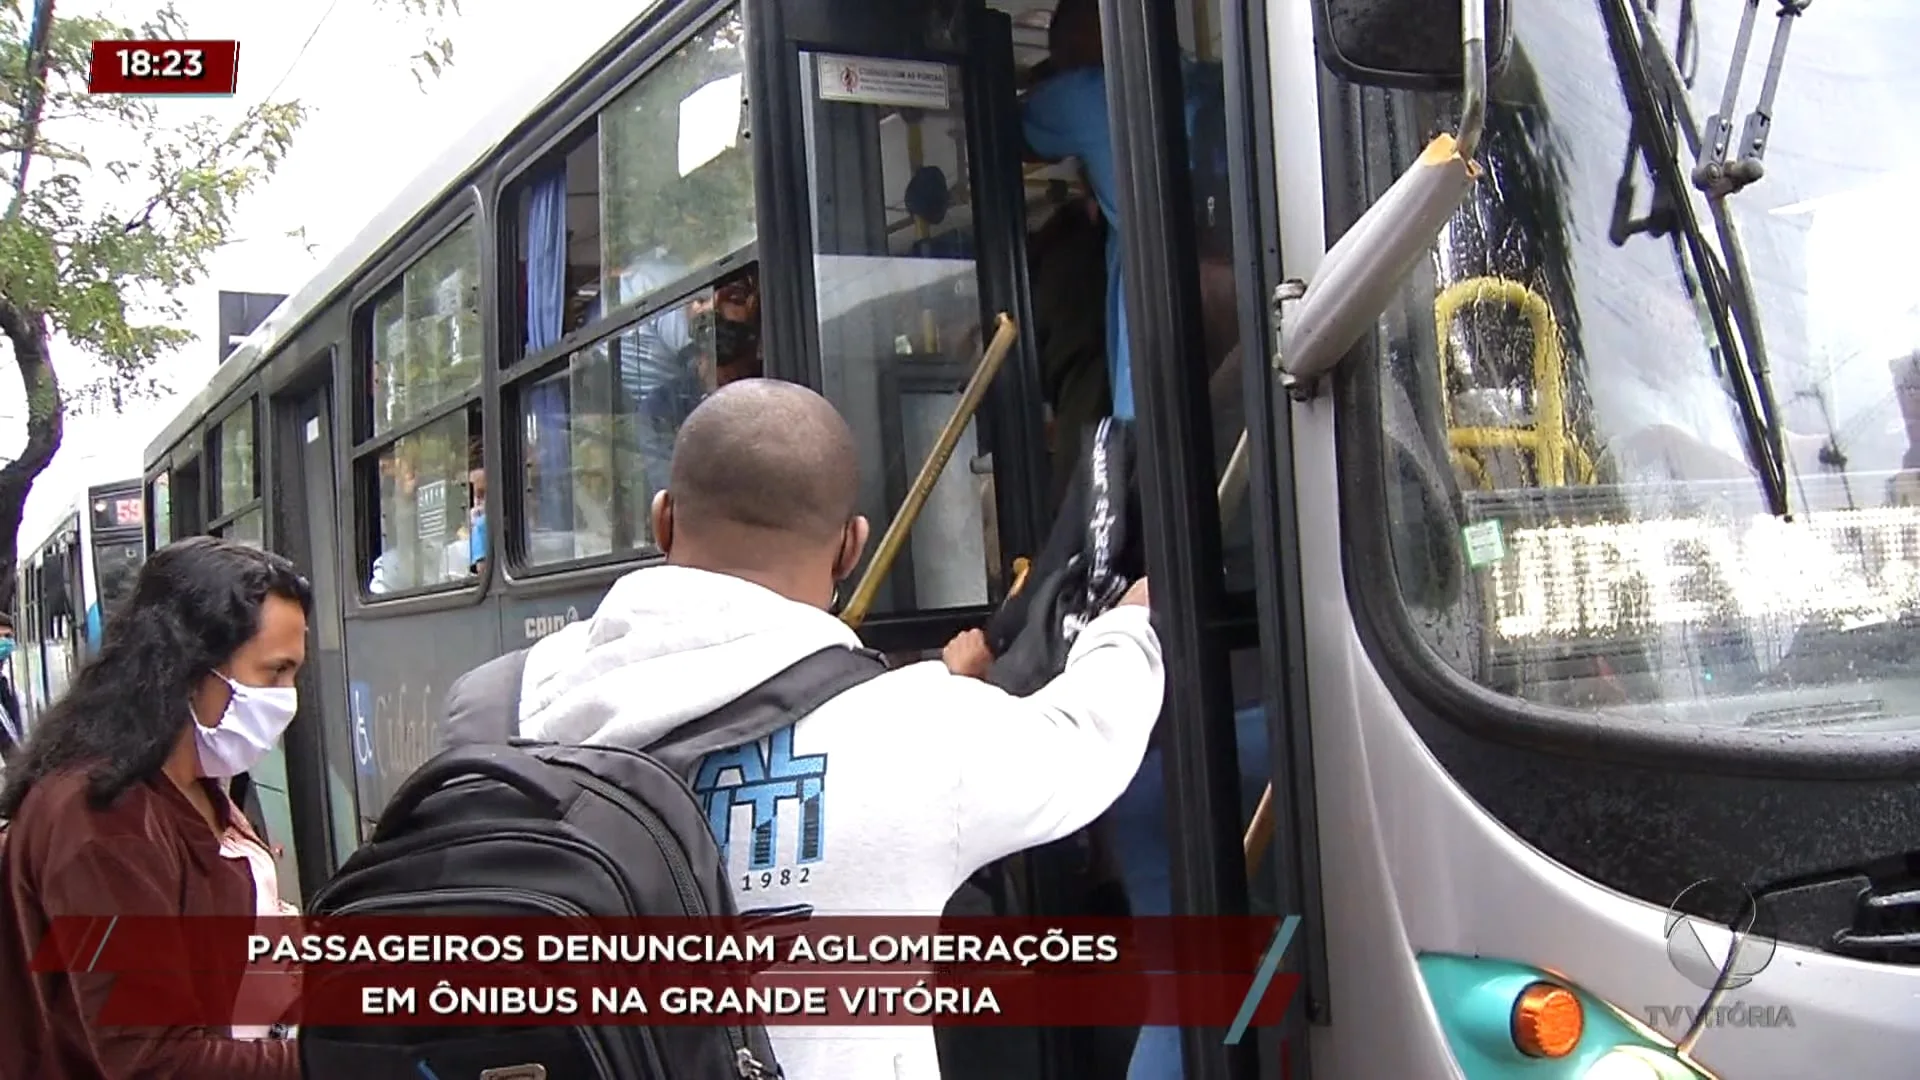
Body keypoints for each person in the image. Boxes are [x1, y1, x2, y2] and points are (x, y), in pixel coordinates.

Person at [511, 379, 1163, 1079]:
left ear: (664, 520)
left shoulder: (506, 704)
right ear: (852, 549)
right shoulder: (918, 736)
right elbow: (1088, 739)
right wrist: (1129, 622)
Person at [0, 536, 310, 1080]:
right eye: (274, 673)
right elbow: (155, 1061)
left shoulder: (189, 779)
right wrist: (336, 1061)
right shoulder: (102, 818)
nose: (288, 697)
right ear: (190, 670)